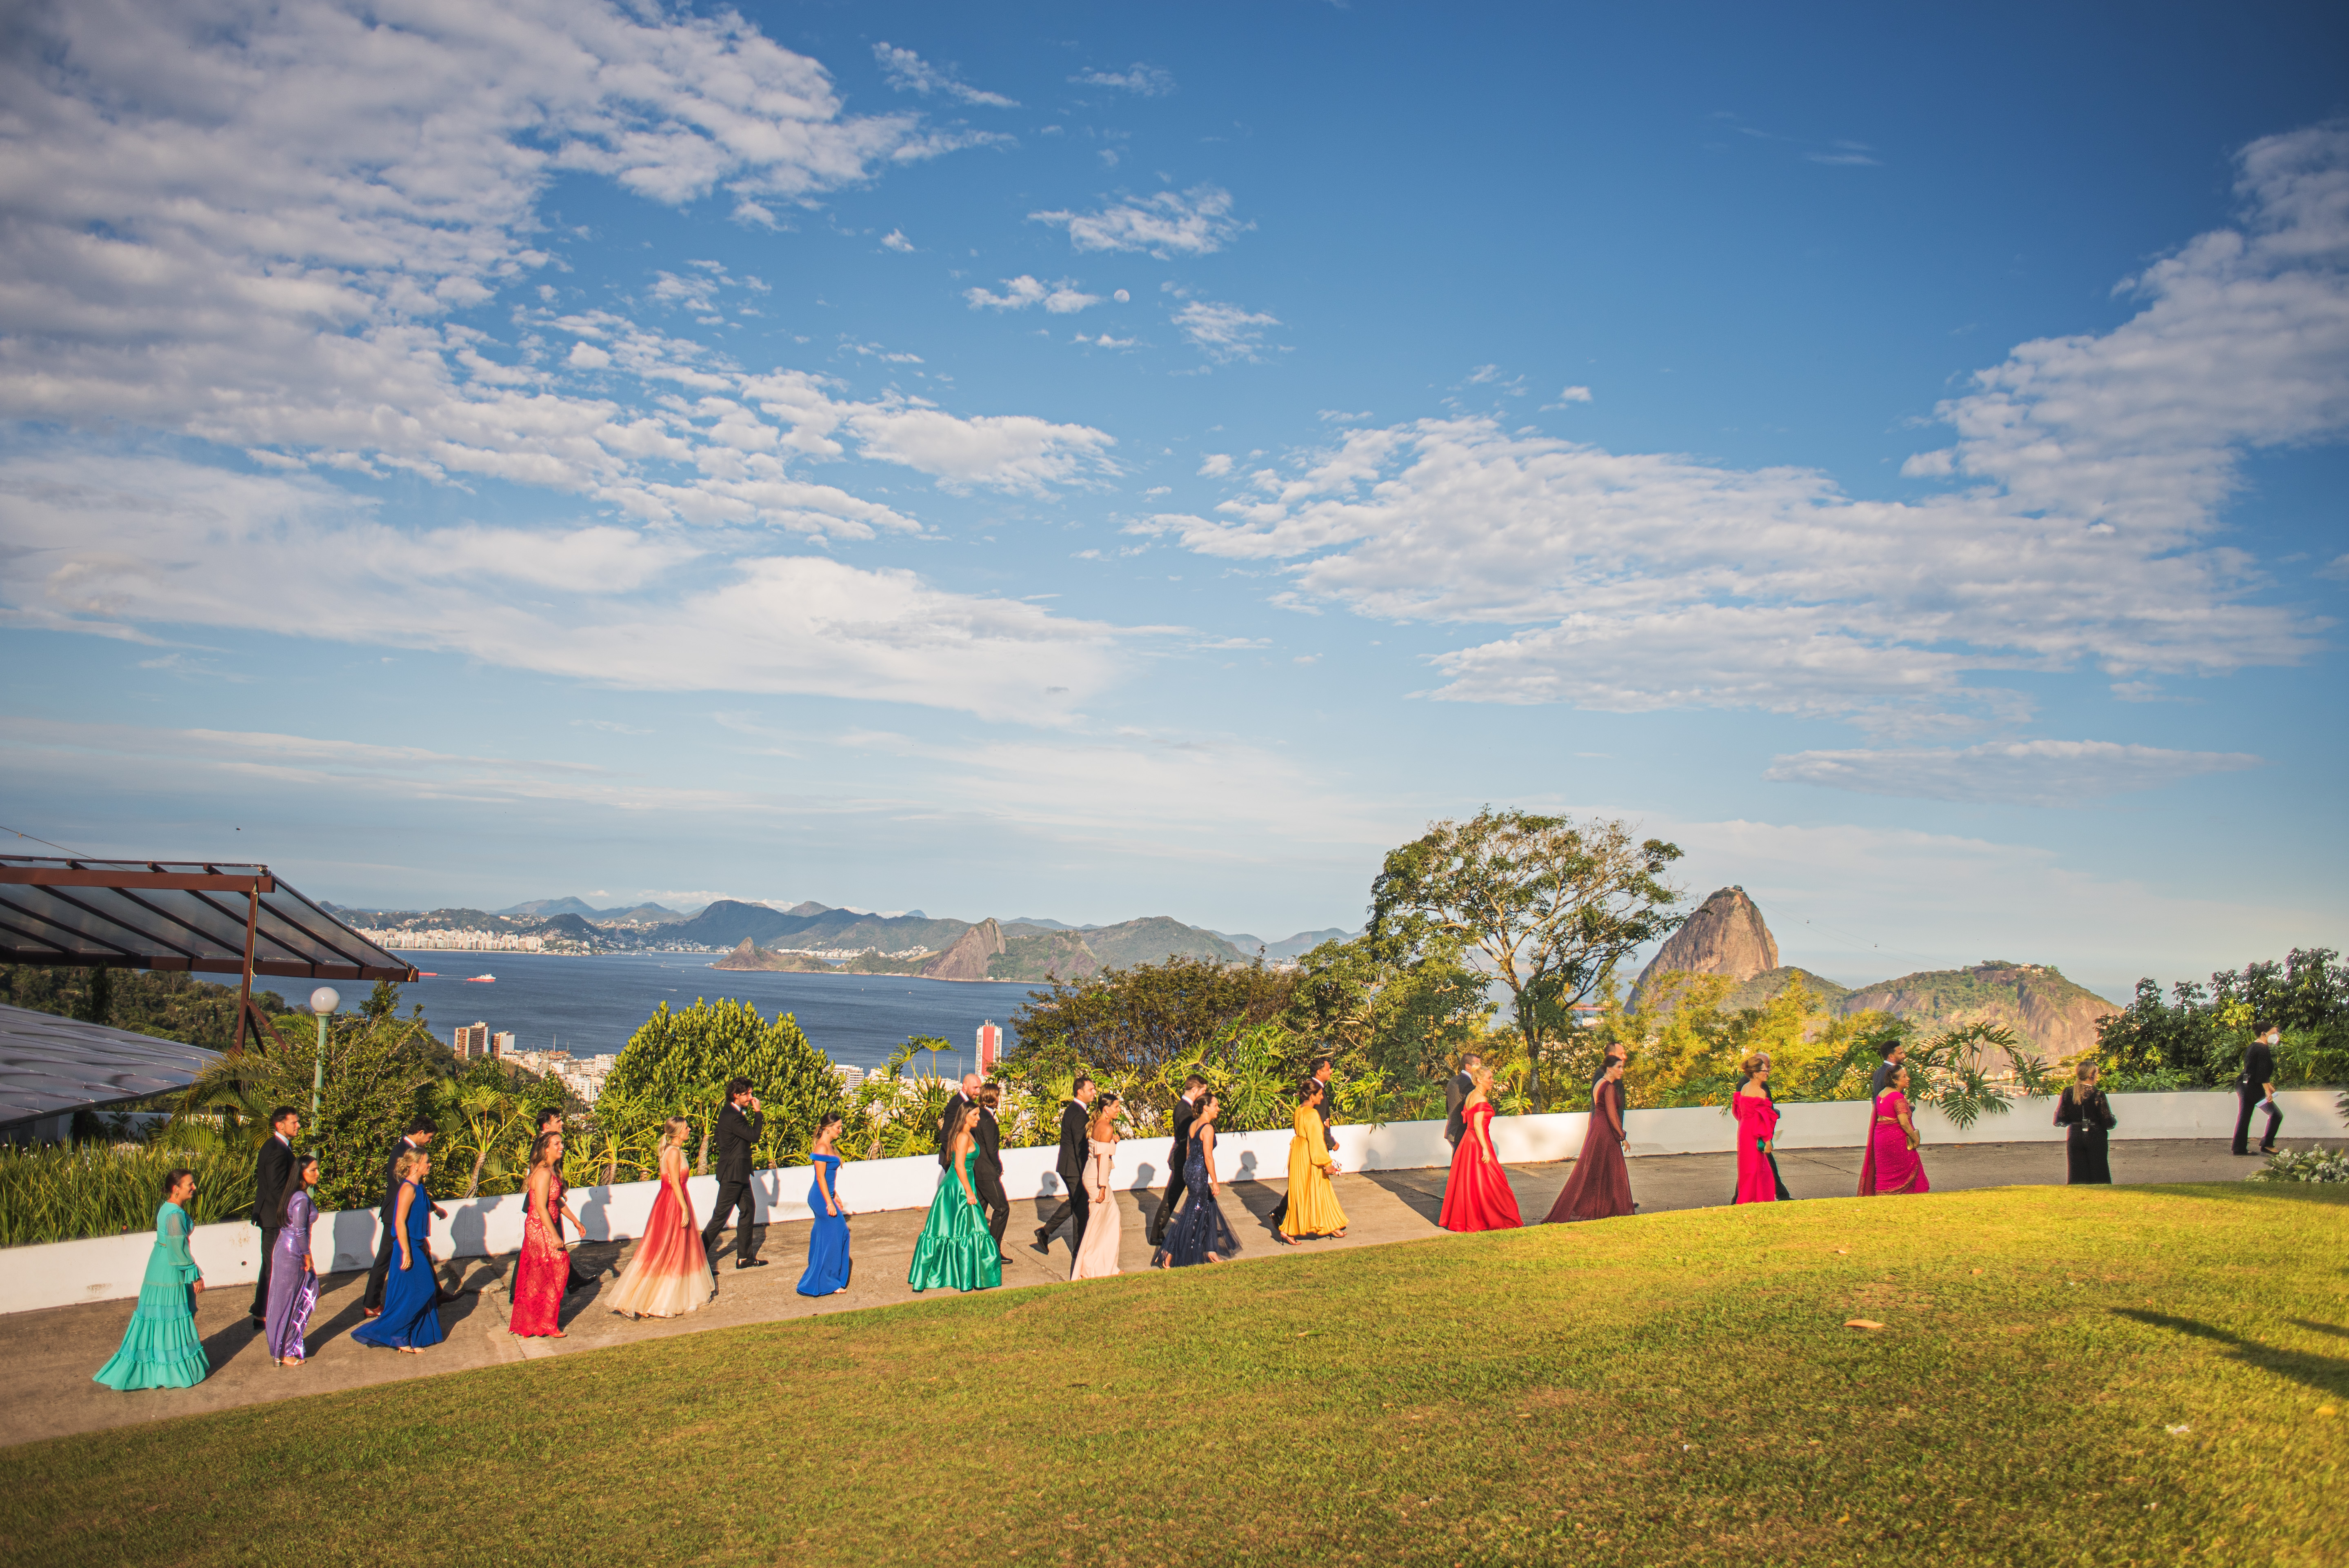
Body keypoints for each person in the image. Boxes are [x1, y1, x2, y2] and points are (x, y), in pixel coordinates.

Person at [94, 1169, 209, 1390]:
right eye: (190, 1184)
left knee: (159, 1317)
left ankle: (157, 1366)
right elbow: (177, 1250)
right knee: (169, 1317)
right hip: (169, 1269)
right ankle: (169, 1370)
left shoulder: (167, 1208)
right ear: (176, 1189)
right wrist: (194, 1273)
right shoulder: (174, 1214)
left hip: (160, 1264)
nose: (194, 1188)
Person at [608, 1117, 716, 1319]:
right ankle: (654, 1301)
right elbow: (674, 1183)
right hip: (673, 1202)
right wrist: (684, 1208)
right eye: (686, 1128)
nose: (689, 1130)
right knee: (668, 1249)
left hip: (673, 1200)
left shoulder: (674, 1150)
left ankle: (656, 1297)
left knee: (673, 1249)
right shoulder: (673, 1152)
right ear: (678, 1132)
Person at [352, 1149, 446, 1353]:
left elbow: (420, 1210)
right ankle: (398, 1334)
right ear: (415, 1165)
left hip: (417, 1245)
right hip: (407, 1247)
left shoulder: (419, 1187)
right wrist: (406, 1252)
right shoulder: (408, 1188)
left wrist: (437, 1211)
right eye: (427, 1162)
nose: (430, 1165)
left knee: (418, 1291)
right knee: (425, 1288)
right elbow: (399, 1222)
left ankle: (411, 1336)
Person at [909, 1104, 1002, 1293]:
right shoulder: (962, 1136)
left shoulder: (967, 1134)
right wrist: (969, 1191)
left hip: (962, 1183)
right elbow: (959, 1165)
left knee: (962, 1229)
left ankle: (965, 1275)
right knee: (963, 1228)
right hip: (957, 1186)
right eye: (975, 1114)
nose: (978, 1118)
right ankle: (960, 1276)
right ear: (965, 1116)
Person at [364, 1115, 448, 1317]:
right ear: (420, 1133)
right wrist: (433, 1208)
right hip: (397, 1216)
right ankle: (371, 1303)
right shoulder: (403, 1152)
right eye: (429, 1137)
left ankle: (437, 1294)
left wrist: (433, 1208)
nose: (429, 1141)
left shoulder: (406, 1149)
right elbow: (407, 1189)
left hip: (406, 1216)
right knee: (385, 1259)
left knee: (424, 1253)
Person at [1153, 1092, 1240, 1268]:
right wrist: (1215, 1181)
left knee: (1208, 1206)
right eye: (1215, 1106)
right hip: (1199, 1171)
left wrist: (1190, 1171)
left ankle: (1210, 1250)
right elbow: (1208, 1157)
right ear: (1206, 1108)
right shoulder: (1207, 1128)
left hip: (1190, 1169)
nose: (1218, 1109)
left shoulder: (1193, 1124)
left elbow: (1188, 1150)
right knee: (1194, 1212)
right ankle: (1168, 1251)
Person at [1546, 1053, 1634, 1224]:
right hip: (1606, 1130)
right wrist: (1622, 1136)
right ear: (1609, 1069)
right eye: (1619, 1067)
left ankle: (1601, 1206)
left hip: (1598, 1127)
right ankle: (1610, 1207)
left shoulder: (1599, 1083)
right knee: (1613, 1168)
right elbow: (1612, 1114)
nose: (1622, 1071)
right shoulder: (1609, 1087)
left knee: (1598, 1167)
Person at [509, 1131, 580, 1338]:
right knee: (558, 1267)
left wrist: (575, 1221)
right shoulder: (543, 1173)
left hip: (544, 1226)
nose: (562, 1147)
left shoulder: (551, 1170)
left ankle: (538, 1321)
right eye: (557, 1144)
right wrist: (555, 1235)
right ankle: (543, 1321)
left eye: (561, 1143)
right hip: (539, 1228)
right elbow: (541, 1207)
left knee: (543, 1274)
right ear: (546, 1149)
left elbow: (556, 1201)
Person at [1438, 1064, 1522, 1232]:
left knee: (1471, 1182)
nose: (1492, 1081)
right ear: (1479, 1080)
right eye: (1489, 1078)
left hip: (1468, 1142)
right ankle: (1493, 1217)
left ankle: (1471, 1217)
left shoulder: (1471, 1095)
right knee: (1493, 1182)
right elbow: (1477, 1125)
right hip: (1478, 1141)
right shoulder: (1481, 1099)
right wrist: (1484, 1148)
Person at [701, 1077, 766, 1270]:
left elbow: (719, 1137)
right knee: (720, 1217)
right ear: (736, 1095)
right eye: (748, 1094)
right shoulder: (733, 1115)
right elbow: (754, 1136)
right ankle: (695, 1257)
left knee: (748, 1209)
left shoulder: (729, 1112)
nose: (751, 1097)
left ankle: (744, 1257)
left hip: (739, 1172)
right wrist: (758, 1113)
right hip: (733, 1174)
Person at [264, 1152, 322, 1366]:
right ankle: (285, 1351)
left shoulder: (295, 1195)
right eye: (313, 1170)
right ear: (301, 1173)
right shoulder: (301, 1198)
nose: (318, 1173)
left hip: (288, 1249)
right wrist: (308, 1257)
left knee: (295, 1297)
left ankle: (284, 1347)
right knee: (294, 1299)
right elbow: (299, 1231)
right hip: (293, 1253)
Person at [1268, 1057, 1338, 1229]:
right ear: (1319, 1072)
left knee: (1304, 1183)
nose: (1331, 1072)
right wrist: (1330, 1143)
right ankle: (1323, 1222)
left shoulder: (1310, 1093)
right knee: (1312, 1183)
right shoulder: (1316, 1093)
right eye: (1328, 1069)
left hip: (1304, 1146)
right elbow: (1319, 1122)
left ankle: (1282, 1213)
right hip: (1314, 1146)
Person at [1033, 1077, 1098, 1257]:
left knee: (1075, 1201)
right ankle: (1079, 1249)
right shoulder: (1079, 1115)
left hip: (1068, 1166)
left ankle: (1045, 1232)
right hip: (1074, 1168)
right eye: (1091, 1089)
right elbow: (1080, 1148)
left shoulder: (1075, 1110)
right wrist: (1086, 1173)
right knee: (1081, 1207)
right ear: (1080, 1092)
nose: (1094, 1092)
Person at [1279, 1078, 1349, 1242]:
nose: (1322, 1098)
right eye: (1319, 1095)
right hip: (1309, 1156)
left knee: (1301, 1192)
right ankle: (1290, 1230)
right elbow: (1317, 1141)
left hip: (1299, 1153)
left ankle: (1331, 1225)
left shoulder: (1299, 1110)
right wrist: (1327, 1163)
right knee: (1319, 1189)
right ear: (1312, 1096)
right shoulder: (1312, 1114)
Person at [249, 1105, 298, 1331]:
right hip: (273, 1218)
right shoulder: (277, 1150)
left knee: (271, 1264)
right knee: (272, 1265)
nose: (298, 1126)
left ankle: (263, 1312)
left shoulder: (276, 1146)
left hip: (271, 1216)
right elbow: (278, 1189)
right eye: (294, 1122)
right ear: (280, 1125)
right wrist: (292, 1213)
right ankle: (263, 1314)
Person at [536, 1108, 595, 1293]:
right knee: (543, 1258)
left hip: (552, 1208)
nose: (562, 1147)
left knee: (555, 1256)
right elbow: (540, 1200)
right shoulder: (542, 1158)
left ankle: (570, 1282)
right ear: (546, 1126)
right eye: (558, 1121)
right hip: (542, 1214)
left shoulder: (552, 1161)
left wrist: (575, 1221)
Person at [1147, 1073, 1208, 1247]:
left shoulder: (1184, 1107)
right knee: (1171, 1198)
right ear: (1195, 1090)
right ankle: (1156, 1234)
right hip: (1183, 1161)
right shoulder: (1185, 1111)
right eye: (1203, 1091)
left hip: (1183, 1161)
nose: (1204, 1095)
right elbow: (1185, 1140)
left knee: (1198, 1196)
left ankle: (1203, 1229)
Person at [1725, 1051, 1793, 1203]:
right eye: (1765, 1069)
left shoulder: (1744, 1088)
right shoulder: (1761, 1092)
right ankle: (1756, 1199)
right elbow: (1762, 1118)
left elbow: (1737, 1111)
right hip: (1755, 1133)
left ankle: (1743, 1200)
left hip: (1744, 1131)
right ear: (1756, 1073)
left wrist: (1746, 1122)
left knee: (1747, 1169)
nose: (1768, 1072)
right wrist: (1767, 1139)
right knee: (1760, 1170)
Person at [797, 1112, 852, 1297]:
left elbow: (829, 1178)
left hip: (827, 1195)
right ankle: (829, 1281)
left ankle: (820, 1278)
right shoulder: (821, 1148)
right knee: (838, 1233)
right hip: (820, 1198)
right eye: (838, 1127)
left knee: (827, 1236)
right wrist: (829, 1203)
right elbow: (820, 1177)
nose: (841, 1130)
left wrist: (835, 1195)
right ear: (828, 1128)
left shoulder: (830, 1147)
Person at [1071, 1093, 1124, 1280]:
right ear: (1106, 1109)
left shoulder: (1098, 1124)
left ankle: (1105, 1266)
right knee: (1100, 1223)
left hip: (1093, 1175)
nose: (1119, 1110)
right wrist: (1102, 1187)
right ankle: (1091, 1268)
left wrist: (1113, 1141)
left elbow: (1100, 1149)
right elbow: (1102, 1158)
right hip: (1098, 1179)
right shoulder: (1107, 1128)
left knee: (1107, 1221)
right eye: (1116, 1107)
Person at [1853, 1039, 1906, 1197]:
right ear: (1891, 1056)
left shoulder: (1879, 1071)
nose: (1904, 1056)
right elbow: (1886, 1100)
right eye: (1901, 1053)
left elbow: (1876, 1099)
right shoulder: (1889, 1072)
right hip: (1891, 1121)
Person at [1867, 1065, 1931, 1195]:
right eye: (1904, 1076)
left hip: (1881, 1138)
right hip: (1896, 1139)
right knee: (1910, 1164)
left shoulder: (1881, 1095)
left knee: (1885, 1171)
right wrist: (1915, 1138)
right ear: (1895, 1080)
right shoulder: (1897, 1097)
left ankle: (1884, 1193)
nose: (1908, 1079)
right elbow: (1904, 1123)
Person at [2054, 1061, 2119, 1184]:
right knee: (2099, 1173)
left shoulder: (2068, 1092)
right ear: (2091, 1075)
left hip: (2075, 1134)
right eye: (2097, 1073)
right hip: (2095, 1135)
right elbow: (2107, 1122)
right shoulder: (2098, 1095)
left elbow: (2062, 1117)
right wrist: (2113, 1119)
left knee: (2077, 1174)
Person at [971, 1082, 1013, 1263]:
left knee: (980, 1213)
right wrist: (998, 1167)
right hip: (987, 1172)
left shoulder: (978, 1116)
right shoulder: (987, 1120)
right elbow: (992, 1149)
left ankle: (975, 1250)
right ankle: (993, 1252)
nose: (999, 1099)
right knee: (1002, 1209)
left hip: (977, 1170)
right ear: (992, 1097)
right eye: (997, 1096)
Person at [2232, 1022, 2283, 1156]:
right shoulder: (2263, 1049)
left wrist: (2269, 1085)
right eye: (2273, 1033)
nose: (2276, 1036)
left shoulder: (2253, 1046)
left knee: (2244, 1117)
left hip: (2244, 1084)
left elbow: (2252, 1069)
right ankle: (2267, 1145)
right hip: (2253, 1087)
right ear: (2264, 1034)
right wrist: (2267, 1091)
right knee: (2276, 1115)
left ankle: (2239, 1148)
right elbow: (2262, 1072)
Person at [1443, 1053, 1484, 1148]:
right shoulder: (1469, 1084)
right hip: (1463, 1132)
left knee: (1457, 1157)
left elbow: (1448, 1106)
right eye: (1477, 1064)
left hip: (1452, 1130)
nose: (1480, 1068)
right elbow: (1471, 1109)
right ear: (1468, 1066)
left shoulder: (1453, 1080)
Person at [939, 1072, 981, 1157]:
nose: (978, 1092)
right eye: (975, 1088)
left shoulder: (966, 1103)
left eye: (980, 1088)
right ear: (965, 1086)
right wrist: (957, 1157)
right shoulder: (957, 1105)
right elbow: (945, 1135)